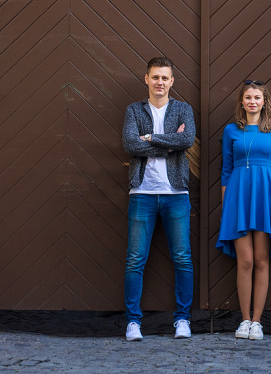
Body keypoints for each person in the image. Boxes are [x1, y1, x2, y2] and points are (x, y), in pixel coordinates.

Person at [121, 56, 196, 341]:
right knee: (135, 260)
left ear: (172, 81)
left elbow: (186, 140)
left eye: (165, 78)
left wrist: (150, 138)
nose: (160, 82)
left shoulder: (183, 109)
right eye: (155, 77)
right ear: (146, 79)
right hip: (142, 193)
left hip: (176, 194)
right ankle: (133, 322)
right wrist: (168, 143)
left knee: (183, 258)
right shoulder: (134, 110)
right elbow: (130, 144)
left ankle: (182, 319)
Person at [217, 80, 271, 341]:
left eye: (257, 97)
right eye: (248, 97)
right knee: (244, 261)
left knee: (261, 261)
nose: (252, 101)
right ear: (242, 101)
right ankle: (244, 320)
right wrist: (227, 206)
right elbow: (226, 170)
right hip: (238, 197)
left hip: (266, 198)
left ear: (264, 101)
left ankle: (257, 322)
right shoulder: (231, 131)